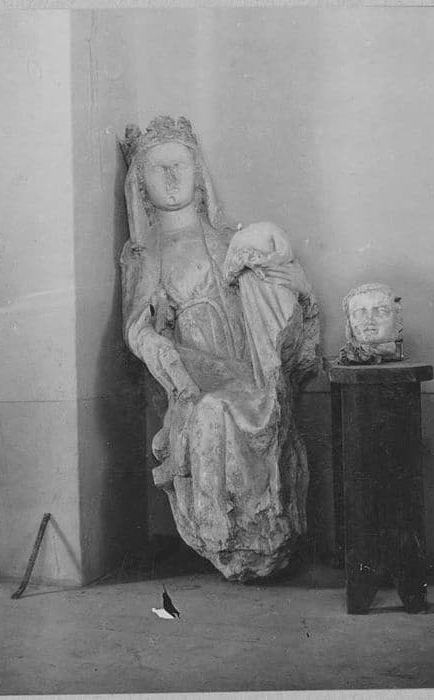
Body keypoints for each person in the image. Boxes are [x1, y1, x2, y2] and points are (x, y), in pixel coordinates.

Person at [120, 116, 320, 580]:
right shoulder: (146, 254)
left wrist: (299, 288)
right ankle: (228, 532)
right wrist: (156, 345)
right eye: (158, 169)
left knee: (247, 405)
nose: (172, 178)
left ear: (199, 173)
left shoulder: (231, 240)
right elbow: (136, 326)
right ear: (142, 185)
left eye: (181, 165)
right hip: (195, 372)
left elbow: (279, 304)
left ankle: (264, 527)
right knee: (212, 411)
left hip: (249, 368)